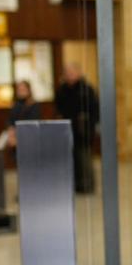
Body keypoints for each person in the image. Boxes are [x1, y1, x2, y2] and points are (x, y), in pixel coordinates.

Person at [55, 62, 99, 193]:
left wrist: (90, 125)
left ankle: (87, 185)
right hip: (67, 130)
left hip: (84, 130)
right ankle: (75, 185)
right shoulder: (62, 90)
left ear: (78, 73)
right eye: (67, 73)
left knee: (84, 158)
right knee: (70, 159)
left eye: (72, 72)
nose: (69, 75)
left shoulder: (87, 89)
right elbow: (58, 108)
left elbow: (94, 110)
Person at [5, 79, 41, 148]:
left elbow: (32, 124)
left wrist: (18, 139)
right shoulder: (16, 105)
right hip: (15, 138)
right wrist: (10, 131)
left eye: (23, 90)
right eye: (19, 90)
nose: (21, 92)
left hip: (29, 138)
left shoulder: (34, 105)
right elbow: (10, 120)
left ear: (29, 90)